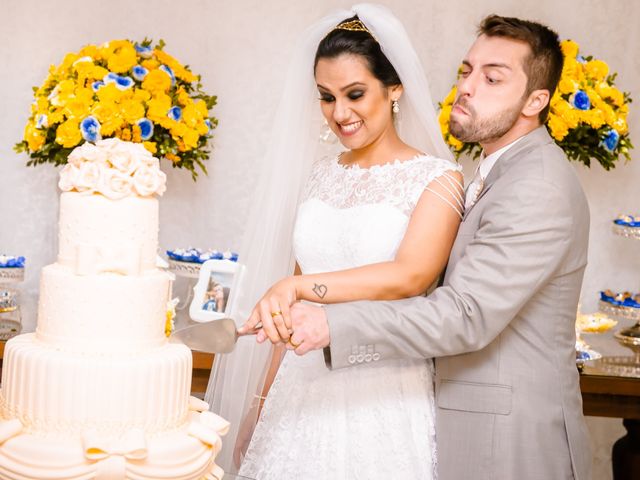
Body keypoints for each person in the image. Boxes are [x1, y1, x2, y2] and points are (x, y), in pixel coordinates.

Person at [257, 14, 593, 480]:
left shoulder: (535, 184)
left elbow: (464, 312)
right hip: (347, 394)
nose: (467, 87)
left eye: (492, 77)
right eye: (466, 70)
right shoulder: (497, 171)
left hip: (509, 437)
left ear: (537, 100)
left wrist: (328, 317)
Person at [233, 5, 464, 480]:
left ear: (394, 88)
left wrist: (300, 289)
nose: (340, 113)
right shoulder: (321, 175)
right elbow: (287, 304)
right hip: (300, 389)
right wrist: (259, 400)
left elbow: (410, 277)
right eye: (326, 96)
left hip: (383, 392)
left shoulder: (438, 179)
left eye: (355, 93)